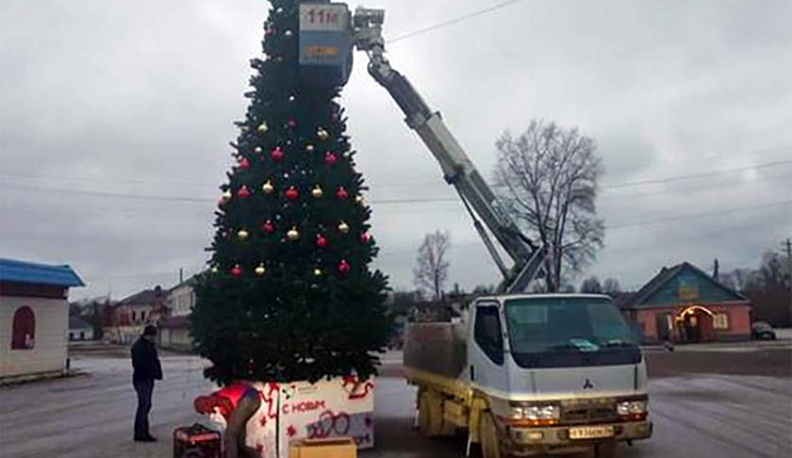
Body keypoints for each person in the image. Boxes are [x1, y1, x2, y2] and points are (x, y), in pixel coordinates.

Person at [130, 325, 163, 442]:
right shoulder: (141, 347)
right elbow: (141, 364)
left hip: (145, 378)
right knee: (144, 405)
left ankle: (142, 431)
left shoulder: (146, 345)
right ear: (150, 335)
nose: (155, 338)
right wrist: (152, 372)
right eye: (154, 336)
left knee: (145, 405)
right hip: (143, 379)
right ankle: (141, 433)